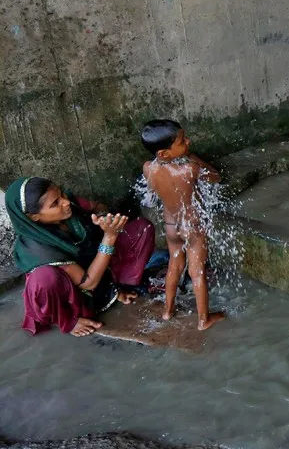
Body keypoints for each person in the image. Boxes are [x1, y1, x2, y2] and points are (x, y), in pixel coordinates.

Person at [4, 176, 155, 337]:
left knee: (142, 228)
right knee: (44, 278)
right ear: (33, 217)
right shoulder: (37, 250)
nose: (65, 201)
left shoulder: (70, 204)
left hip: (97, 264)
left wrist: (103, 218)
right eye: (55, 203)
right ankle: (68, 319)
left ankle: (118, 285)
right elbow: (88, 283)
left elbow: (98, 206)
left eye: (61, 194)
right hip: (76, 292)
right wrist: (109, 237)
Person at [141, 119, 226, 331]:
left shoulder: (148, 168)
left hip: (171, 226)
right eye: (181, 141)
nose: (187, 141)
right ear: (164, 153)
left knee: (174, 265)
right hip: (192, 226)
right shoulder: (189, 168)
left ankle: (168, 311)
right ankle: (203, 320)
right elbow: (216, 177)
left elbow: (153, 193)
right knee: (197, 272)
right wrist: (195, 159)